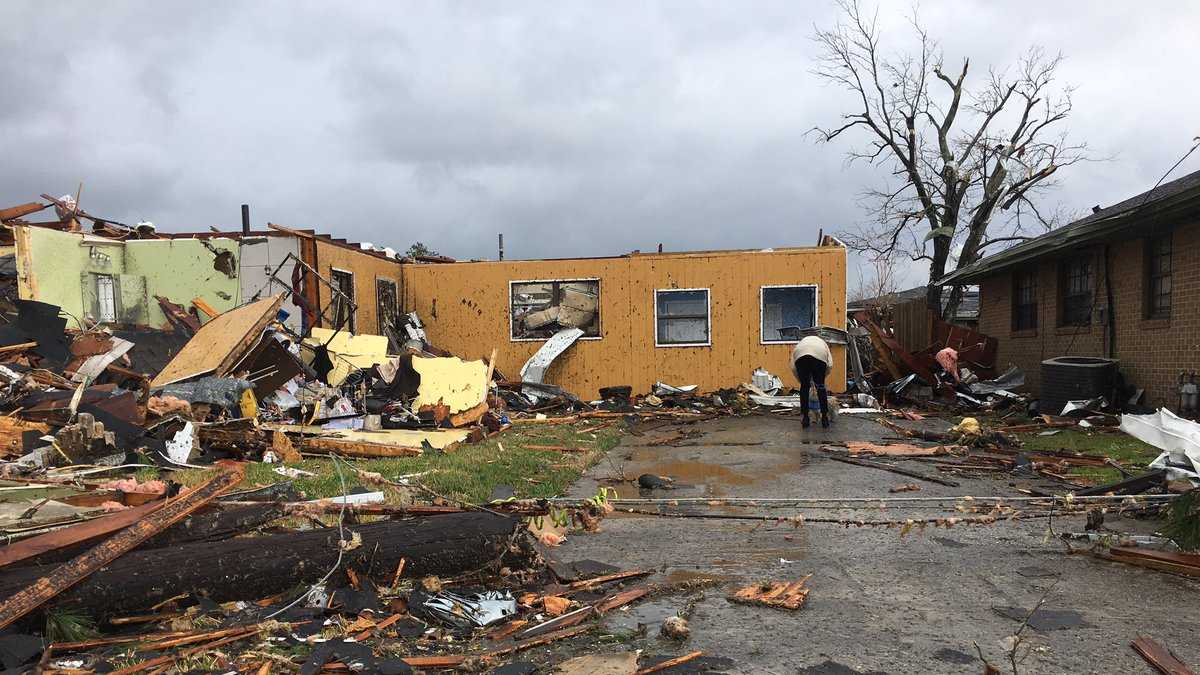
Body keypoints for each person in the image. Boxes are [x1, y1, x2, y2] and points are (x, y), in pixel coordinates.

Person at [791, 335, 832, 428]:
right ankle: (824, 418)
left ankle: (805, 418)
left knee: (804, 388)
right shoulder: (823, 344)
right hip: (820, 355)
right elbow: (830, 365)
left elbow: (793, 367)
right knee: (821, 387)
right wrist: (821, 379)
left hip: (801, 356)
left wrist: (802, 381)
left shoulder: (800, 344)